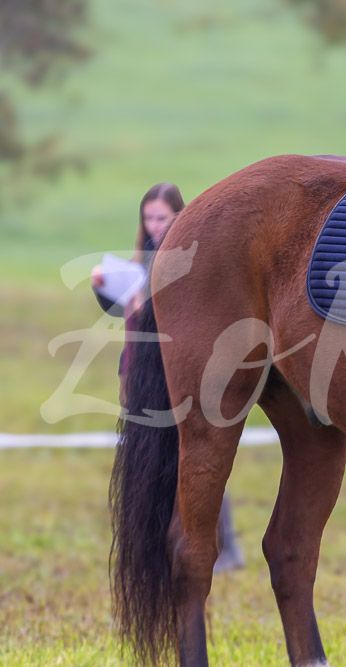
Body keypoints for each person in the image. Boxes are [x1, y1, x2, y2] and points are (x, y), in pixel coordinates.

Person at [91, 183, 245, 572]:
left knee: (197, 457)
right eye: (149, 218)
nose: (155, 225)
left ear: (180, 215)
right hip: (138, 371)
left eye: (162, 217)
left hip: (175, 372)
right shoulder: (144, 260)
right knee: (151, 457)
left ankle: (222, 544)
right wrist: (105, 290)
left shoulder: (188, 262)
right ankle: (161, 542)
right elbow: (123, 313)